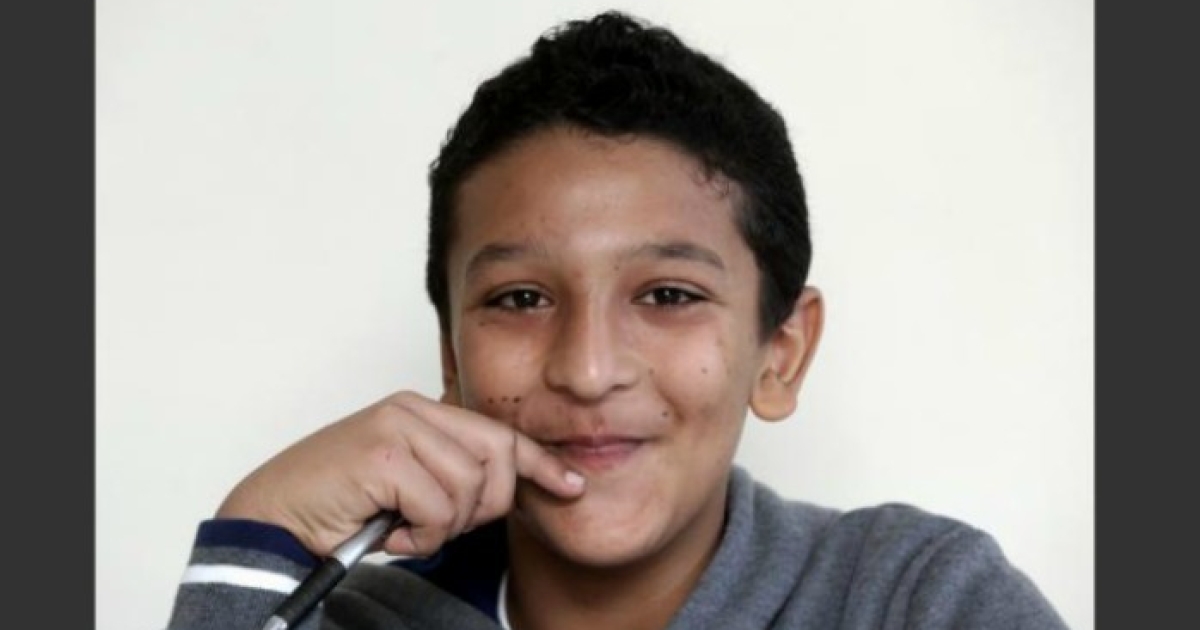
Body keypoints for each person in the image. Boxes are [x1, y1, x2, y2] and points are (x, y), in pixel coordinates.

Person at [166, 10, 1068, 630]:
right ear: (451, 358)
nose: (589, 369)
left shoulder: (914, 598)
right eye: (520, 299)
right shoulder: (339, 623)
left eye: (669, 295)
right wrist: (258, 530)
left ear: (780, 353)